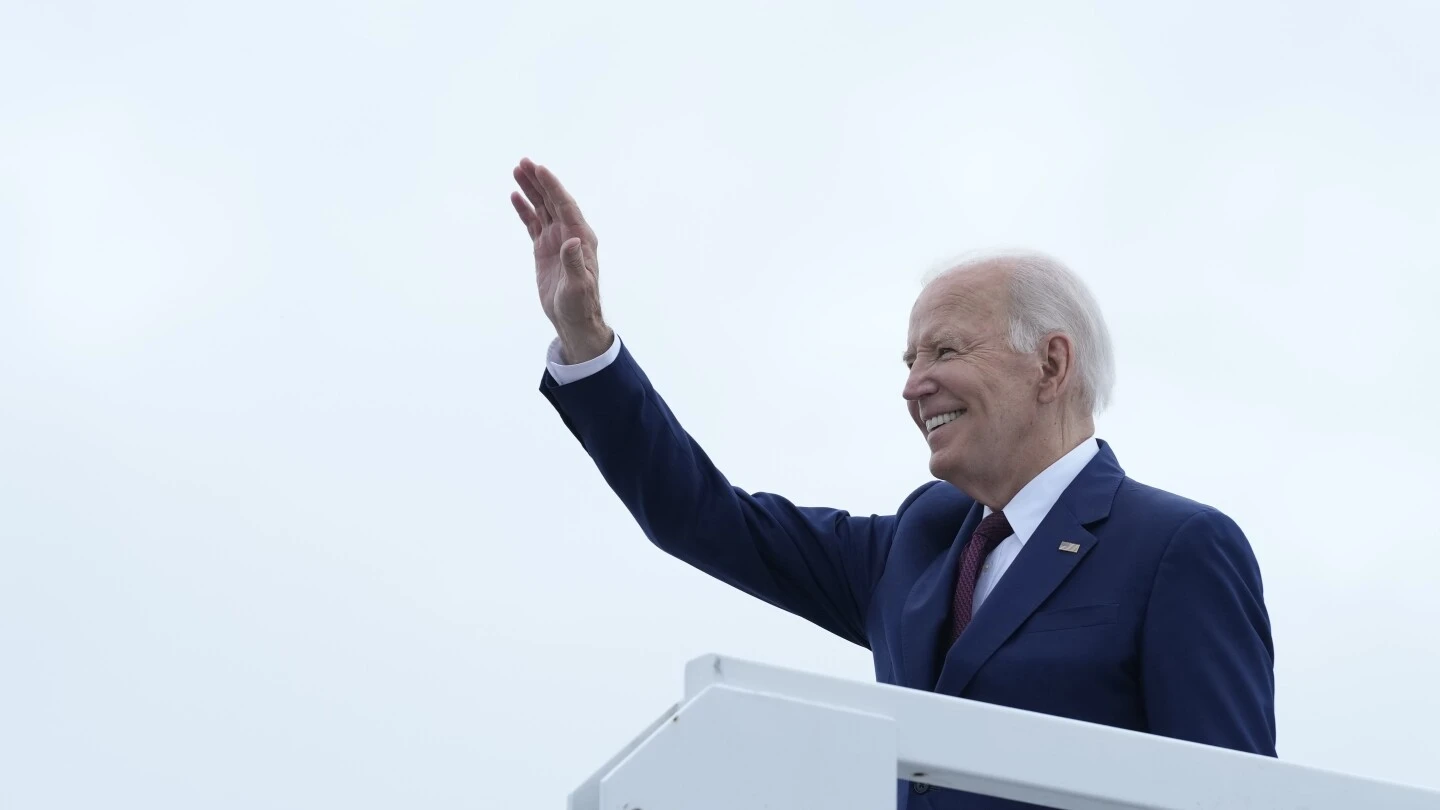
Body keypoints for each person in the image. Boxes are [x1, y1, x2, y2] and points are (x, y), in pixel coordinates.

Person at [510, 158, 1276, 809]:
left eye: (942, 352)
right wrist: (588, 342)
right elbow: (701, 516)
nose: (915, 387)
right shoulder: (918, 543)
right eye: (908, 363)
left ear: (1051, 365)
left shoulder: (1177, 549)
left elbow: (1230, 797)